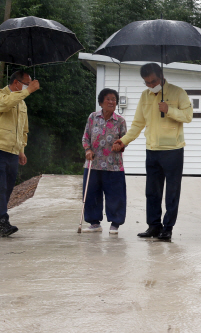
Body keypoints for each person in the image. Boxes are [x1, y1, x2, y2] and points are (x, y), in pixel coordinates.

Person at [112, 63, 192, 241]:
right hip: (152, 150)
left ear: (161, 75)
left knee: (172, 192)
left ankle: (168, 228)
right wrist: (123, 140)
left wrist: (169, 110)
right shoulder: (144, 96)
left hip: (173, 151)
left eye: (153, 81)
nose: (150, 85)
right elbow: (138, 124)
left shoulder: (178, 92)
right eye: (146, 82)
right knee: (152, 191)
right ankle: (154, 226)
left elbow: (188, 116)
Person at [0, 70, 40, 236]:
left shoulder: (22, 103)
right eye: (26, 83)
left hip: (13, 151)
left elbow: (23, 130)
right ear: (16, 83)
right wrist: (28, 91)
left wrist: (21, 150)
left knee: (6, 188)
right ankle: (2, 222)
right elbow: (5, 104)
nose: (29, 87)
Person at [81, 88, 128, 234]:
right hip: (93, 163)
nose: (111, 101)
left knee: (115, 195)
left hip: (113, 165)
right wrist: (88, 150)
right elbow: (85, 137)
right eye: (108, 99)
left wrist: (119, 144)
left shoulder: (120, 121)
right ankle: (94, 223)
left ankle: (115, 223)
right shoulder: (93, 117)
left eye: (114, 99)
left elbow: (125, 139)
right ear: (101, 102)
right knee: (91, 193)